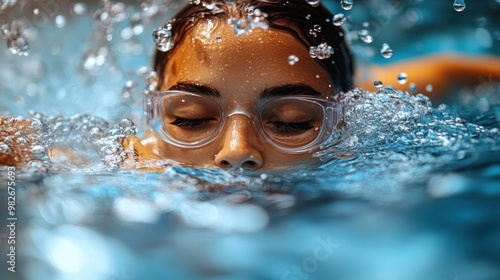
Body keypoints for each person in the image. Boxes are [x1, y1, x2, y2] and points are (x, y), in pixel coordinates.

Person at [1, 0, 499, 170]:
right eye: (190, 119)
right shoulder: (132, 160)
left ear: (345, 114)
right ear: (152, 108)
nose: (237, 153)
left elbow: (454, 70)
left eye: (292, 121)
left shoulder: (375, 111)